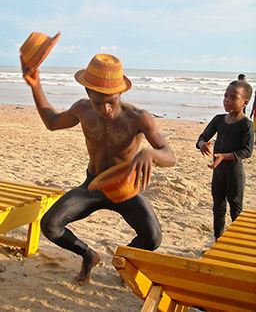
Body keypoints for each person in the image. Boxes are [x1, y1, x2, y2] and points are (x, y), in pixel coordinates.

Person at [21, 53, 176, 284]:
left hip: (126, 190)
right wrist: (36, 85)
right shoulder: (82, 109)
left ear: (121, 93)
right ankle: (89, 255)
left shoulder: (138, 118)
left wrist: (150, 153)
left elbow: (169, 155)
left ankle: (123, 258)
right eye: (97, 102)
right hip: (92, 186)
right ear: (87, 94)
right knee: (50, 225)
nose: (105, 109)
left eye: (111, 101)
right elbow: (52, 122)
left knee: (153, 238)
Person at [196, 80, 254, 241]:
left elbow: (247, 151)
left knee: (236, 208)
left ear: (245, 102)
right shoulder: (219, 120)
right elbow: (202, 137)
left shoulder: (246, 125)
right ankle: (218, 239)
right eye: (225, 96)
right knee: (218, 208)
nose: (226, 100)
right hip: (218, 172)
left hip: (234, 172)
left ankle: (236, 242)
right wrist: (202, 144)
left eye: (232, 97)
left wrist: (224, 156)